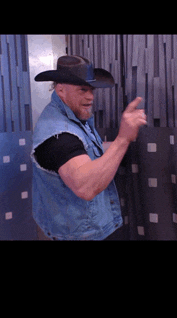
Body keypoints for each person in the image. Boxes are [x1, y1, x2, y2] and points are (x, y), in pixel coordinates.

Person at [31, 55, 147, 240]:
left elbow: (86, 152)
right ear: (61, 89)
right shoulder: (58, 134)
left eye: (91, 90)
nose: (90, 97)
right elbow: (86, 187)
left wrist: (122, 140)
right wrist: (123, 139)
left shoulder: (71, 119)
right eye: (82, 90)